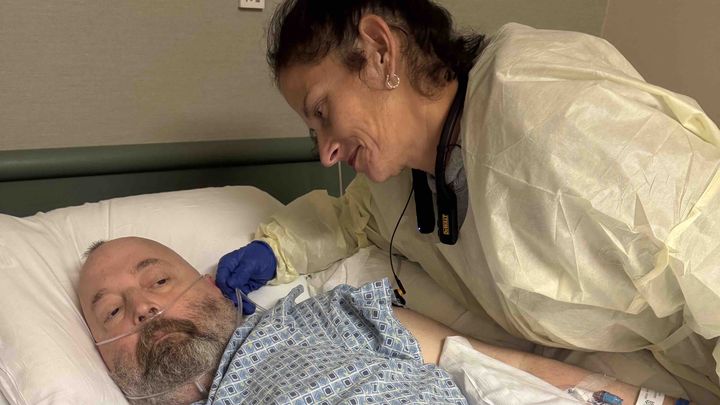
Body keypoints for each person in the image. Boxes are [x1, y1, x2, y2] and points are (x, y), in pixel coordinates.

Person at [215, 0, 720, 403]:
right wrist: (278, 248)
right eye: (313, 133)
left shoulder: (543, 111)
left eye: (323, 112)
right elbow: (357, 218)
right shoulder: (406, 177)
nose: (326, 153)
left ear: (379, 52)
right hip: (647, 366)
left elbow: (705, 241)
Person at [79, 237, 680, 404]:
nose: (144, 308)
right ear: (99, 353)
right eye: (112, 311)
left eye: (159, 281)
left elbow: (503, 366)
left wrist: (650, 402)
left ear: (213, 288)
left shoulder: (325, 316)